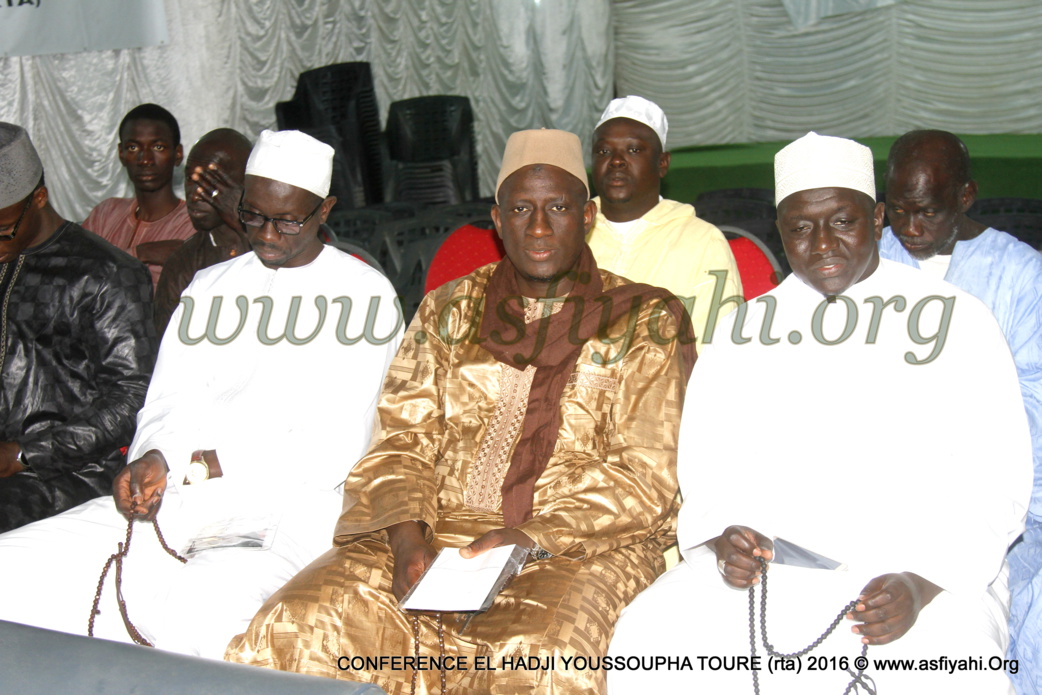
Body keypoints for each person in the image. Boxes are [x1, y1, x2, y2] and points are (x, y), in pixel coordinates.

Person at [225, 128, 697, 694]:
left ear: (588, 216)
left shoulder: (646, 321)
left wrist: (528, 538)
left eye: (558, 209)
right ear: (497, 220)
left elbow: (646, 473)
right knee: (303, 621)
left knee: (538, 658)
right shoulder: (448, 309)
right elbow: (400, 439)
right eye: (521, 209)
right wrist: (406, 541)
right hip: (428, 532)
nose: (539, 227)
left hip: (574, 548)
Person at [607, 132, 1031, 694]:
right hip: (773, 574)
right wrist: (722, 538)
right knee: (650, 644)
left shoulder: (958, 320)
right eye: (801, 227)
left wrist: (922, 583)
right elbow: (708, 465)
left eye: (842, 221)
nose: (822, 243)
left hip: (918, 573)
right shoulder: (743, 328)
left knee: (954, 669)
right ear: (780, 233)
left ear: (876, 217)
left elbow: (996, 480)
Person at [0, 129, 403, 659]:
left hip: (288, 509)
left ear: (324, 209)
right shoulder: (209, 286)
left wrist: (201, 464)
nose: (268, 235)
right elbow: (169, 396)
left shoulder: (366, 295)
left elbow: (331, 447)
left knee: (198, 611)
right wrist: (154, 456)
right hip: (181, 494)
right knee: (14, 567)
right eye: (254, 215)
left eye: (288, 221)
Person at [878, 129, 1042, 694]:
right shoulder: (872, 264)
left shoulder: (1021, 275)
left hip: (1007, 499)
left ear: (966, 197)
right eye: (897, 211)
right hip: (887, 492)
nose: (910, 228)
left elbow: (1033, 408)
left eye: (926, 211)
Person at [0, 122, 155, 533]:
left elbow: (131, 398)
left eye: (2, 230)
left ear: (39, 198)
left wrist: (24, 455)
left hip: (69, 477)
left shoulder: (107, 274)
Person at [587, 95, 742, 349]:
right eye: (604, 151)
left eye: (634, 150)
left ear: (662, 164)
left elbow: (714, 351)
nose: (616, 160)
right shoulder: (569, 235)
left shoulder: (702, 242)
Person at [83, 103, 195, 287]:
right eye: (134, 148)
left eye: (158, 147)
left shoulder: (192, 224)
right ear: (121, 154)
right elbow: (77, 275)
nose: (145, 159)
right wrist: (141, 253)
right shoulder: (105, 214)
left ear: (178, 154)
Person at [154, 128, 253, 335]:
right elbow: (168, 351)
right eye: (190, 180)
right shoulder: (184, 262)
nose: (195, 194)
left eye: (210, 182)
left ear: (244, 184)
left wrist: (242, 226)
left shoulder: (283, 244)